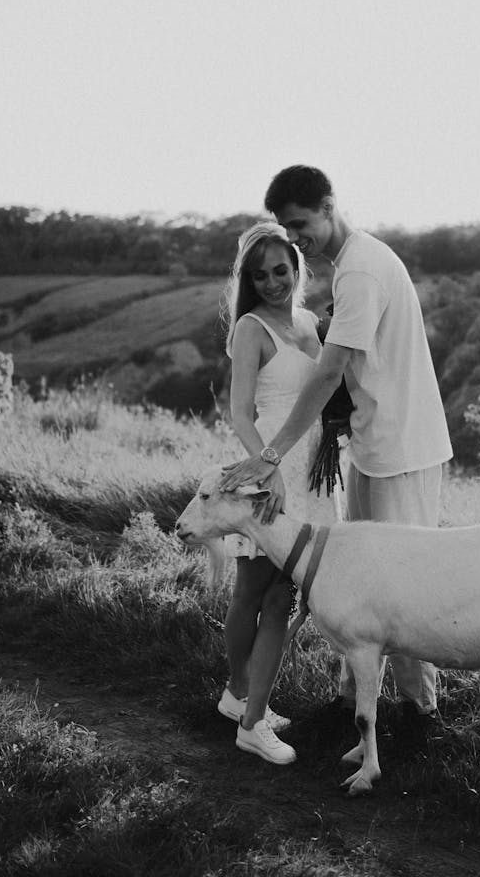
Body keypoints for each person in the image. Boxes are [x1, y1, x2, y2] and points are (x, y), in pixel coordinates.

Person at [220, 165, 453, 740]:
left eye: (300, 226)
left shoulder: (362, 273)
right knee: (355, 577)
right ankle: (355, 697)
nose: (297, 239)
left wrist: (271, 455)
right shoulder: (350, 269)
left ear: (329, 205)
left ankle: (417, 711)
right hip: (373, 448)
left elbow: (328, 375)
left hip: (401, 447)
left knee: (399, 582)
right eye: (285, 229)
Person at [218, 221, 340, 765]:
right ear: (249, 279)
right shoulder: (250, 327)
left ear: (297, 268)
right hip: (268, 462)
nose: (272, 282)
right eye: (260, 274)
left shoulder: (311, 322)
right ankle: (248, 712)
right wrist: (267, 469)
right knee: (258, 591)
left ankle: (241, 698)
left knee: (279, 594)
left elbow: (327, 389)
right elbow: (240, 413)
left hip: (310, 466)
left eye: (281, 270)